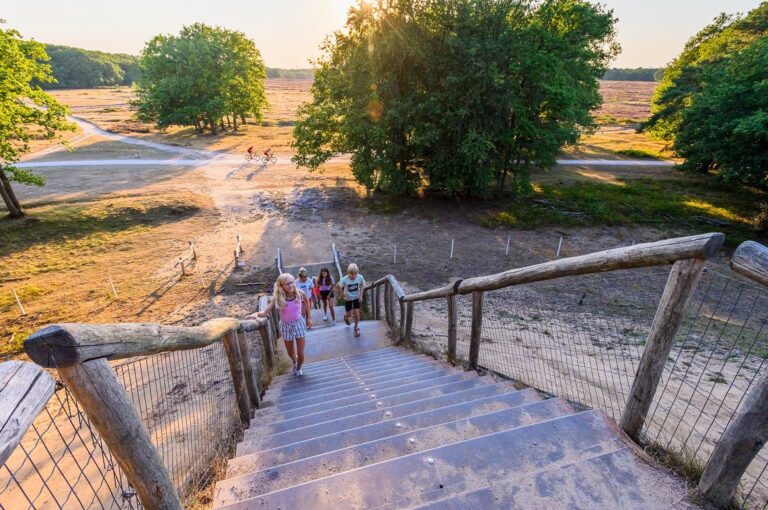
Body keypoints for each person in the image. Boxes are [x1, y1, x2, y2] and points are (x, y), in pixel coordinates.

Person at [255, 273, 312, 376]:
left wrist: (309, 318)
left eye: (292, 283)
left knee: (301, 354)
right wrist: (255, 315)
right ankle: (294, 361)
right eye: (287, 284)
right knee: (290, 353)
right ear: (281, 286)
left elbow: (307, 302)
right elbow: (266, 311)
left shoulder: (300, 293)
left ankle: (299, 369)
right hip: (285, 325)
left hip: (298, 323)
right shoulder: (278, 298)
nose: (291, 286)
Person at [337, 263, 365, 337]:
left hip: (356, 297)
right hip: (348, 299)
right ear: (348, 273)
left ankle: (356, 328)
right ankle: (345, 317)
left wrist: (361, 295)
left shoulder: (360, 277)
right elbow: (338, 286)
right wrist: (343, 294)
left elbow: (362, 285)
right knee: (349, 314)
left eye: (355, 274)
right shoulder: (345, 279)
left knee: (356, 313)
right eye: (352, 274)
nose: (354, 276)